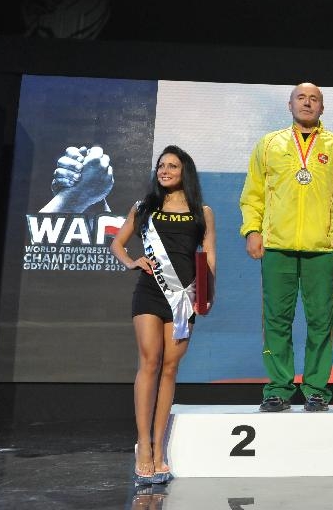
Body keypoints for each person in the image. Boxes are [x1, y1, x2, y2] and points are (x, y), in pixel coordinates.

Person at [240, 82, 333, 413]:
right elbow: (253, 194)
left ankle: (316, 389)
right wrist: (252, 230)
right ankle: (278, 388)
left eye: (314, 99)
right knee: (277, 319)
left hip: (322, 248)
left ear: (322, 108)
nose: (307, 103)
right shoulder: (269, 145)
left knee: (321, 320)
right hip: (276, 246)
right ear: (290, 104)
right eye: (301, 98)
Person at [110, 145, 216, 484]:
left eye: (171, 165)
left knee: (170, 368)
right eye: (161, 166)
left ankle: (158, 450)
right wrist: (132, 261)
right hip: (150, 291)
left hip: (184, 297)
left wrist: (206, 295)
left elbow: (209, 256)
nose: (164, 170)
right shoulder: (144, 207)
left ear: (185, 170)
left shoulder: (202, 211)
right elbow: (118, 243)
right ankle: (144, 446)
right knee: (150, 361)